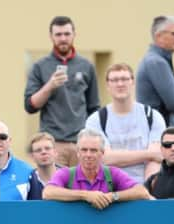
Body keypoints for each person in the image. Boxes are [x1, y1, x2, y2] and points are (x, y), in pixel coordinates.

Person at [24, 16, 100, 166]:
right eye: (58, 34)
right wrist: (49, 86)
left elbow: (94, 108)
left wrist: (91, 141)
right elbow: (30, 105)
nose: (63, 38)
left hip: (81, 143)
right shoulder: (40, 66)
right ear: (51, 36)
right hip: (53, 143)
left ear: (74, 34)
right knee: (56, 188)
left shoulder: (86, 66)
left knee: (82, 188)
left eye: (67, 34)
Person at [85, 63, 164, 183]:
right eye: (115, 80)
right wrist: (148, 154)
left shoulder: (152, 116)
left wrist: (147, 190)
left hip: (145, 187)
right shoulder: (96, 120)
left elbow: (156, 158)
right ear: (107, 85)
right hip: (109, 188)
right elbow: (104, 158)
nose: (120, 84)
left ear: (133, 82)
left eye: (124, 79)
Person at [43, 129, 150, 208]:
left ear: (102, 153)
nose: (88, 155)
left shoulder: (112, 173)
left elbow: (142, 192)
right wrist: (85, 195)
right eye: (84, 150)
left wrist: (112, 197)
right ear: (78, 153)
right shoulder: (66, 173)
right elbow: (47, 193)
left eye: (93, 150)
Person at [136, 15, 174, 136]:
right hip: (165, 140)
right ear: (159, 36)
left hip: (165, 137)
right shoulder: (156, 62)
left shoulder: (158, 60)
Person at [27, 132, 60, 200]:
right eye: (38, 150)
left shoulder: (68, 177)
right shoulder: (27, 180)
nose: (43, 152)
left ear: (55, 152)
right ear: (32, 156)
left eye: (47, 148)